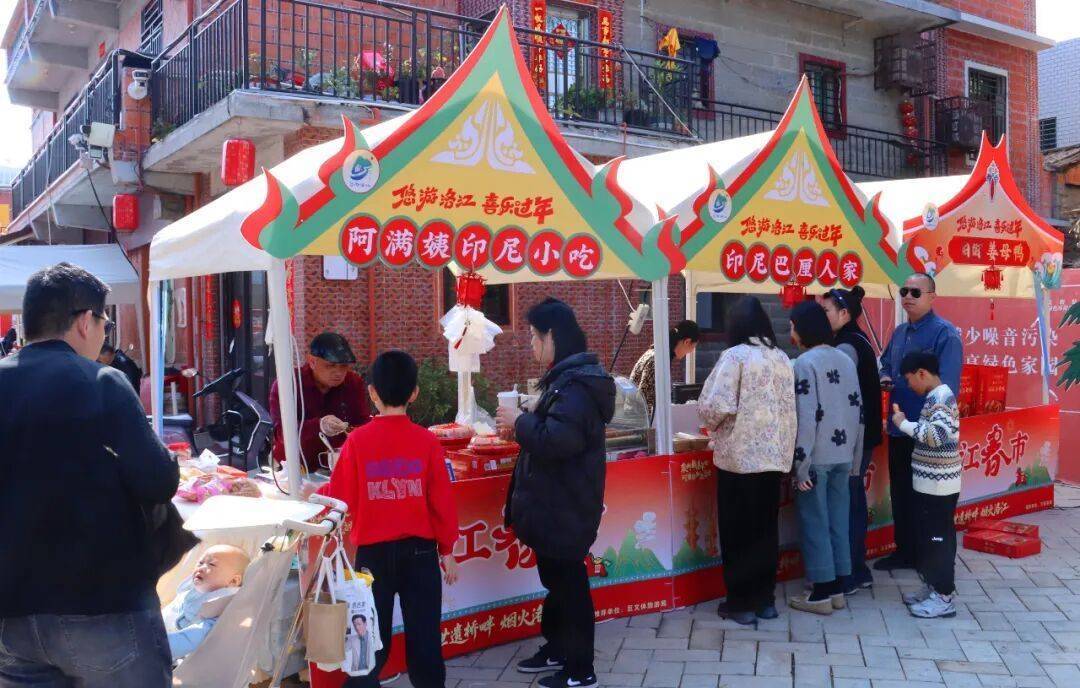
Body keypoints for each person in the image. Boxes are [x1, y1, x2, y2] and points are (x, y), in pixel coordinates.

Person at [0, 262, 179, 686]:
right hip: (104, 606)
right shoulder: (103, 381)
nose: (104, 333)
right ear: (85, 321)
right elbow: (158, 481)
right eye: (105, 323)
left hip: (11, 613)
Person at [497, 298, 615, 688]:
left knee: (569, 584)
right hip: (557, 502)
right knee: (557, 580)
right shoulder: (567, 381)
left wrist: (521, 421)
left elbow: (557, 441)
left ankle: (581, 669)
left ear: (552, 337)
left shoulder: (576, 387)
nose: (532, 344)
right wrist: (533, 413)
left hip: (567, 504)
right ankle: (559, 647)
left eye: (534, 336)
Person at [326, 349, 459, 688]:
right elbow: (441, 502)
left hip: (373, 556)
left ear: (372, 393)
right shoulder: (427, 441)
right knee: (425, 640)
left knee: (369, 639)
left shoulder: (357, 442)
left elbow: (340, 496)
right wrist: (448, 550)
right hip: (421, 554)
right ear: (414, 393)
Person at [698, 297, 795, 625]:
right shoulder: (781, 357)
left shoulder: (735, 356)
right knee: (765, 531)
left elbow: (717, 405)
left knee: (737, 532)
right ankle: (765, 600)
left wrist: (708, 422)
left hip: (738, 461)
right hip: (773, 459)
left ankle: (740, 602)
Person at [876, 273, 962, 572]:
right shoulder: (900, 332)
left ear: (932, 297)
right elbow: (886, 364)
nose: (908, 297)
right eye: (904, 291)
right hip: (899, 427)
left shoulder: (945, 334)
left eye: (916, 292)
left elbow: (947, 389)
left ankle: (930, 558)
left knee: (926, 499)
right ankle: (905, 552)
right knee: (901, 492)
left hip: (927, 432)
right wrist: (885, 377)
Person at [787, 301, 864, 616]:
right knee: (838, 520)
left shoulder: (804, 364)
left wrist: (800, 465)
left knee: (815, 521)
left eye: (793, 326)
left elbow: (806, 417)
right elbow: (858, 410)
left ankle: (821, 591)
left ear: (802, 329)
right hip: (844, 453)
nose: (791, 332)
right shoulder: (845, 359)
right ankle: (839, 587)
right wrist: (855, 459)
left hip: (816, 456)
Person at [821, 286, 883, 594]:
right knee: (852, 499)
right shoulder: (856, 340)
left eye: (826, 311)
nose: (822, 316)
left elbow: (838, 396)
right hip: (858, 434)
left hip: (852, 438)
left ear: (844, 313)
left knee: (847, 501)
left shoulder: (846, 346)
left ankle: (850, 572)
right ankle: (857, 569)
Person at [892, 352, 961, 619]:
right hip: (931, 483)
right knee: (931, 539)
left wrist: (903, 424)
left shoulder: (941, 398)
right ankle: (933, 587)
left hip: (939, 486)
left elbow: (936, 436)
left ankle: (943, 596)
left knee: (938, 541)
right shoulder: (935, 397)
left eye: (910, 379)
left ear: (922, 373)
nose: (909, 386)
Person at [270, 331, 371, 473]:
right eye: (330, 366)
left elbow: (363, 422)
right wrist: (319, 425)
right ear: (312, 361)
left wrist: (353, 432)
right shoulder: (289, 383)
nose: (338, 372)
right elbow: (281, 433)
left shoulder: (353, 382)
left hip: (339, 465)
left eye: (343, 366)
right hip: (292, 467)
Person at [163, 545, 251, 660]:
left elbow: (195, 637)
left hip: (178, 655)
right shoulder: (189, 594)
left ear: (234, 581)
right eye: (200, 563)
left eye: (212, 564)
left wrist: (155, 646)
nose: (201, 568)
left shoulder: (222, 607)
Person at [630, 319, 700, 418]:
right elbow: (644, 400)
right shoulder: (657, 360)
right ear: (687, 342)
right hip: (639, 420)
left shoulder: (657, 353)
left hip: (637, 418)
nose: (691, 352)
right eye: (693, 347)